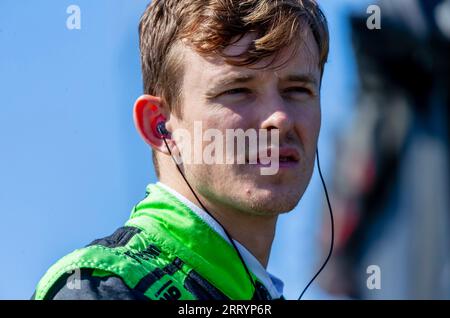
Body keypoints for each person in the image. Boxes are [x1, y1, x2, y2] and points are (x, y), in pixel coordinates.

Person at [32, 0, 329, 300]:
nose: (280, 118)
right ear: (159, 125)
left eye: (298, 90)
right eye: (238, 91)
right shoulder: (104, 289)